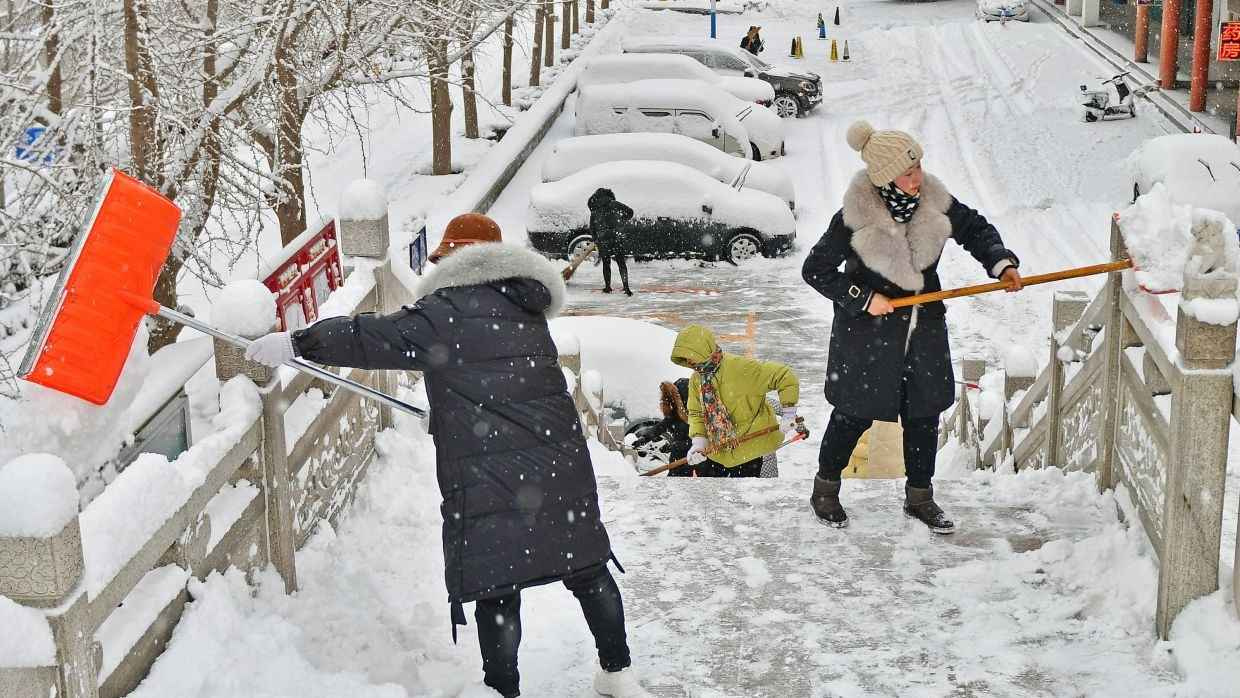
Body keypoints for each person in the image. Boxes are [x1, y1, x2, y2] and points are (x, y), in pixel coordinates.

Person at [244, 213, 650, 698]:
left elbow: (365, 337)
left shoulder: (442, 314)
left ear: (455, 260)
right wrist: (448, 411)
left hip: (487, 474)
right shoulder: (527, 307)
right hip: (559, 463)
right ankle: (618, 672)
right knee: (587, 567)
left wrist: (296, 341)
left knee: (498, 585)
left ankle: (502, 690)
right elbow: (502, 381)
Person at [801, 120, 1023, 533]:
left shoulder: (934, 200)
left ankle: (920, 497)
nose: (918, 177)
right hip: (866, 335)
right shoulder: (852, 218)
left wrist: (1001, 262)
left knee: (922, 415)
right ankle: (825, 489)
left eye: (919, 166)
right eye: (909, 171)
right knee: (853, 415)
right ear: (886, 177)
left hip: (923, 329)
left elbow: (975, 228)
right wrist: (865, 299)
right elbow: (815, 270)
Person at [669, 325, 800, 478]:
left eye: (691, 357)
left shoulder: (741, 368)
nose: (690, 363)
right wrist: (699, 443)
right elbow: (697, 414)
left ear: (704, 350)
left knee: (752, 498)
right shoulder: (697, 380)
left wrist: (789, 413)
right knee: (720, 499)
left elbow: (785, 376)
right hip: (718, 453)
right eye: (685, 359)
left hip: (753, 450)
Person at [631, 378, 693, 475]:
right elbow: (663, 425)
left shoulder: (692, 406)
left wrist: (678, 444)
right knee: (675, 480)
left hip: (692, 454)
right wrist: (644, 438)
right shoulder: (676, 406)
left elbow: (695, 433)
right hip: (679, 453)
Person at [587, 187, 634, 296]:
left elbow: (592, 227)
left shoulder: (594, 208)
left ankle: (608, 287)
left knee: (606, 263)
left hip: (603, 239)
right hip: (616, 237)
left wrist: (596, 239)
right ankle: (626, 288)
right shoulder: (614, 204)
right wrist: (622, 220)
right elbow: (630, 212)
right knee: (621, 262)